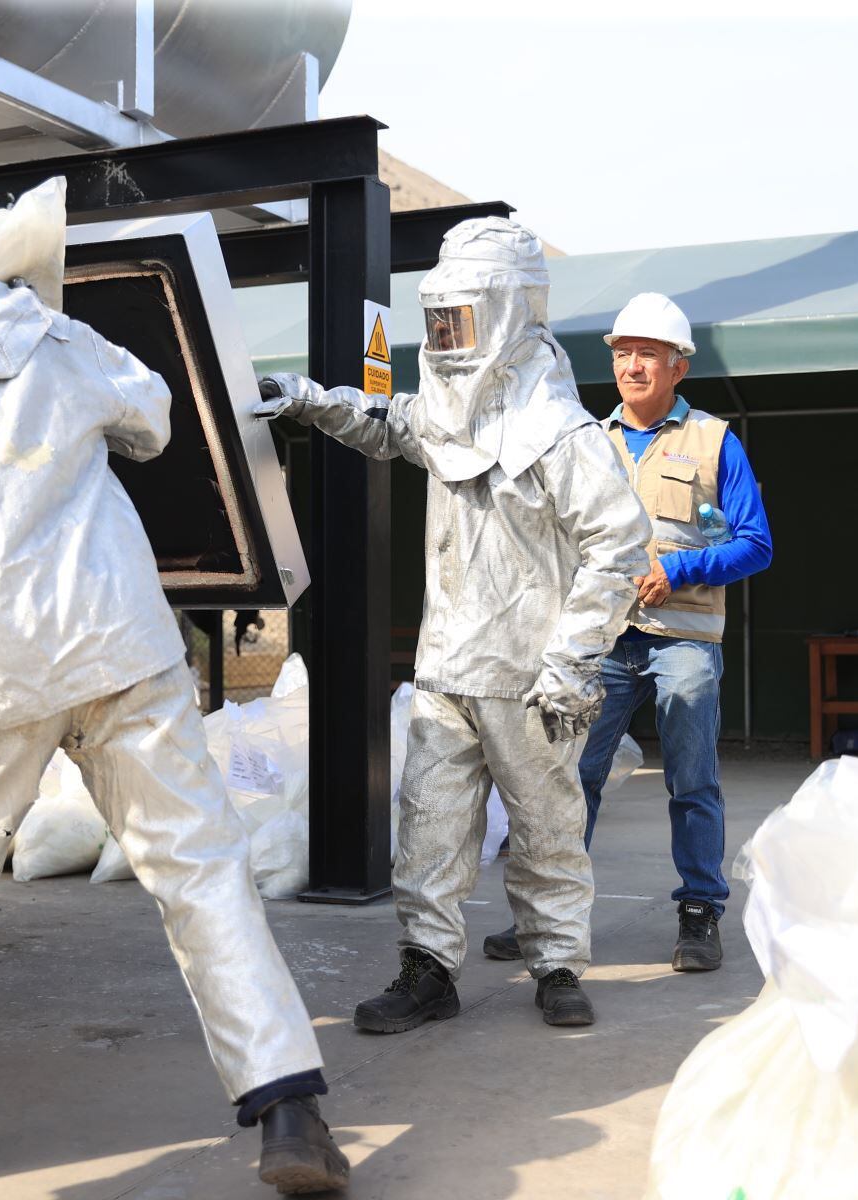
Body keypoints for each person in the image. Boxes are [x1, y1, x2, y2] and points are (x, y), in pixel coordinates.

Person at [0, 121, 348, 1196]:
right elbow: (155, 421)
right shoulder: (46, 335)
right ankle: (289, 1114)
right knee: (200, 869)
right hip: (116, 645)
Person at [257, 218, 650, 1031]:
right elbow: (391, 424)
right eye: (438, 320)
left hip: (530, 672)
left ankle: (557, 964)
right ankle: (427, 968)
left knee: (547, 829)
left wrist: (574, 657)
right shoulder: (448, 411)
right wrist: (311, 401)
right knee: (430, 828)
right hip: (446, 668)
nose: (445, 338)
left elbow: (619, 546)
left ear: (504, 312)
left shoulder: (564, 434)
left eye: (458, 320)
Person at [482, 292, 773, 974]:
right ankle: (547, 917)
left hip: (685, 640)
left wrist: (682, 568)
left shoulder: (714, 441)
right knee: (569, 778)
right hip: (602, 641)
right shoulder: (589, 441)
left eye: (648, 354)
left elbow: (756, 544)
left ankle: (700, 913)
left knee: (691, 779)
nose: (633, 366)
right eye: (623, 354)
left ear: (679, 367)